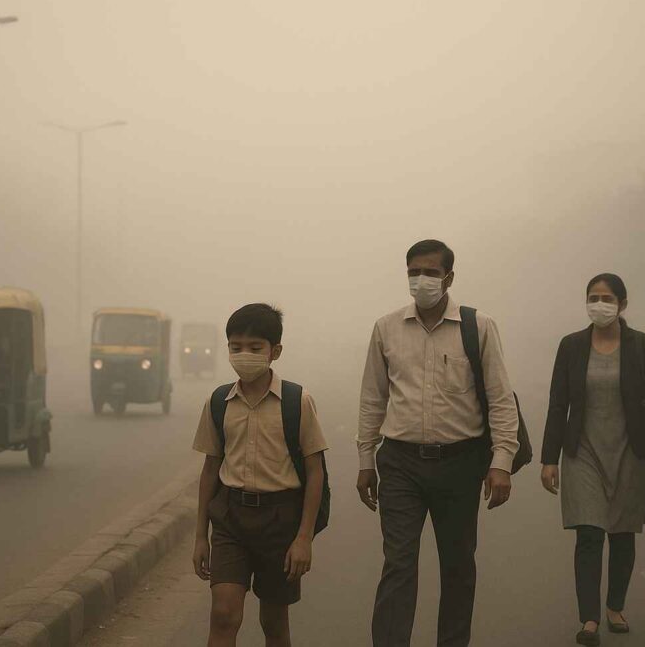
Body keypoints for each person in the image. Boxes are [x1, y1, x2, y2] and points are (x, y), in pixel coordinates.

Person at [357, 239, 520, 647]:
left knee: (458, 566)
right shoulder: (386, 327)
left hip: (461, 463)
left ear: (449, 277)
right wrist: (365, 460)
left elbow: (501, 398)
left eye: (430, 272)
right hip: (399, 463)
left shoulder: (478, 326)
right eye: (414, 271)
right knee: (398, 565)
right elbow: (373, 397)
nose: (421, 279)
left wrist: (501, 462)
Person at [540, 274, 645, 646]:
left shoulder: (642, 346)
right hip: (582, 452)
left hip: (631, 451)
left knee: (621, 533)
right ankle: (589, 619)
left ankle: (615, 606)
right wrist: (549, 459)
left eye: (607, 297)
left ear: (623, 304)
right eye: (593, 297)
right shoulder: (571, 346)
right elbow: (558, 403)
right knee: (588, 532)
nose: (599, 304)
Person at [192, 304, 328, 647]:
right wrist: (199, 536)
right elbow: (210, 470)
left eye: (255, 348)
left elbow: (315, 473)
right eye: (236, 347)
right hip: (230, 520)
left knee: (274, 622)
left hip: (280, 523)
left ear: (275, 351)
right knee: (224, 615)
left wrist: (303, 538)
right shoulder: (219, 401)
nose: (244, 355)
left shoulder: (297, 401)